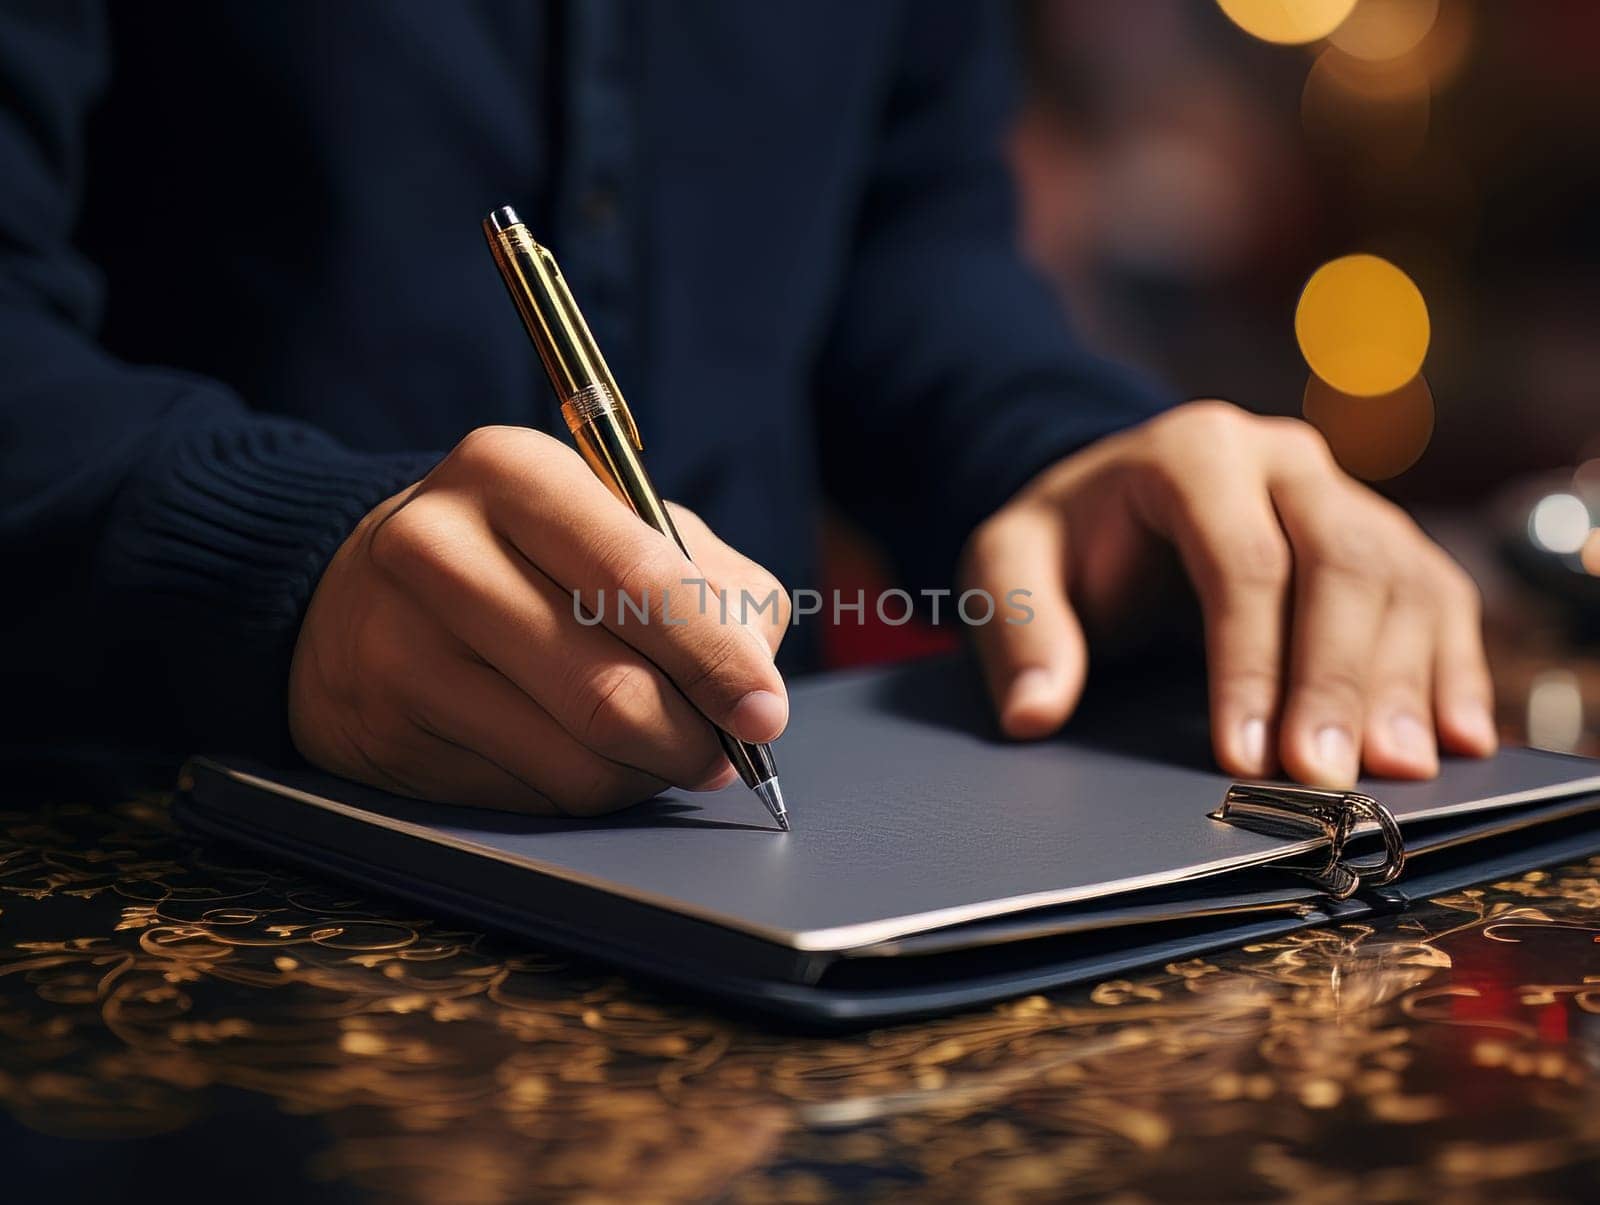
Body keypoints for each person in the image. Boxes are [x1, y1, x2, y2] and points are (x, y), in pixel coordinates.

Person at [0, 1, 1494, 815]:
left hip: (760, 911)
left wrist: (1078, 455)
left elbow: (900, 235)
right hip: (143, 860)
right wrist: (285, 568)